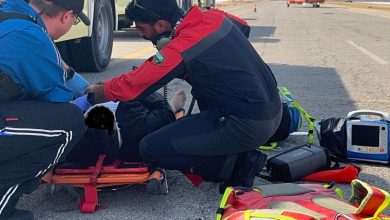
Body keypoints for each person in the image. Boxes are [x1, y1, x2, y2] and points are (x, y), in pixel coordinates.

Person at [86, 0, 282, 190]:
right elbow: (244, 27)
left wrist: (99, 93)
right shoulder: (214, 17)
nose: (141, 35)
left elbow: (135, 84)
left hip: (247, 124)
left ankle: (239, 164)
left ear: (161, 25)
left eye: (142, 30)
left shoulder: (182, 46)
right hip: (273, 111)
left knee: (150, 148)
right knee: (201, 100)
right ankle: (233, 146)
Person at [0, 0, 90, 218]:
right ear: (67, 16)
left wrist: (86, 88)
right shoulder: (32, 38)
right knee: (69, 123)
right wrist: (92, 100)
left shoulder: (11, 14)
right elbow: (58, 102)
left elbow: (63, 70)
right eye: (76, 20)